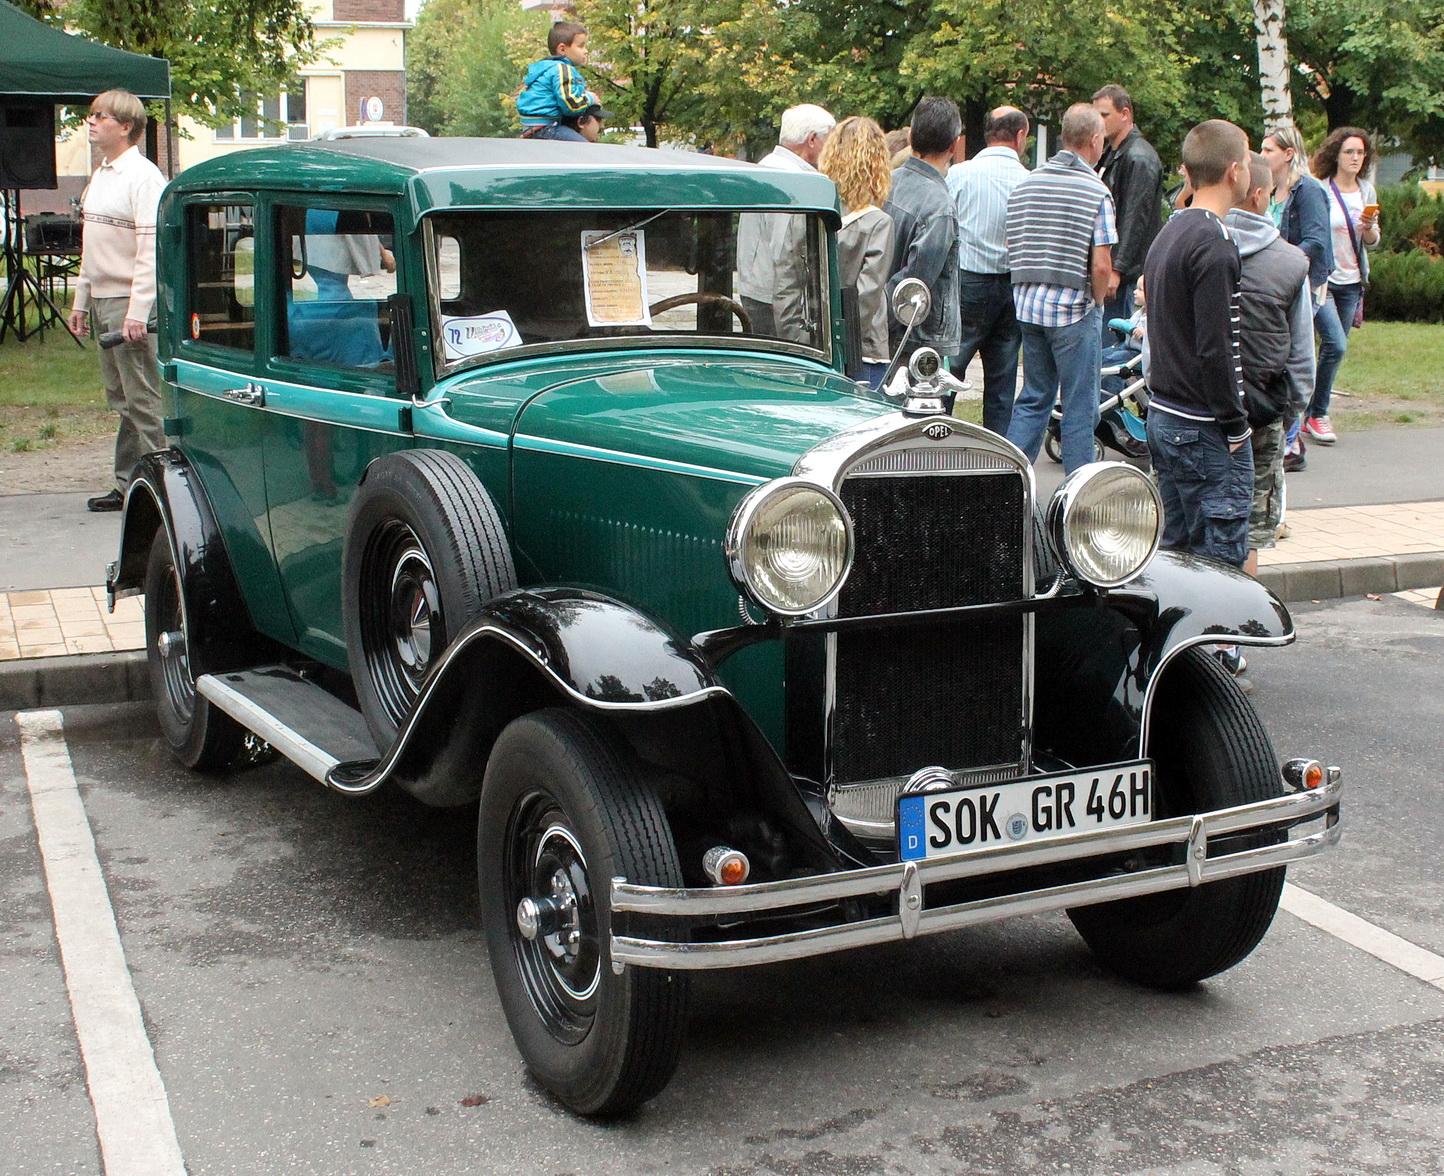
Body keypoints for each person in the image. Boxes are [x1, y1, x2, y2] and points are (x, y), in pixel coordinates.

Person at [1143, 119, 1253, 577]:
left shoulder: (1170, 232)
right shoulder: (1215, 243)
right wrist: (1236, 426)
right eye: (1247, 162)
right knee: (1219, 568)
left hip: (1165, 414)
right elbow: (1217, 347)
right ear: (1234, 171)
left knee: (1176, 561)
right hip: (1202, 426)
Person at [66, 89, 167, 513]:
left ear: (126, 126)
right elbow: (91, 246)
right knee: (122, 398)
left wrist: (137, 310)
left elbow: (150, 250)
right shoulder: (102, 176)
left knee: (143, 399)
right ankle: (128, 483)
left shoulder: (143, 177)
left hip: (129, 300)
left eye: (101, 116)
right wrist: (81, 299)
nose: (91, 122)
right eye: (91, 115)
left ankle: (166, 490)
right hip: (104, 297)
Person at [1002, 103, 1117, 472]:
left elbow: (1012, 244)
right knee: (1079, 407)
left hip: (1028, 305)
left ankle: (1010, 481)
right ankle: (1077, 492)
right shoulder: (1095, 191)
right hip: (1073, 309)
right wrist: (1097, 302)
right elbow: (1101, 265)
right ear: (1095, 140)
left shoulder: (1026, 184)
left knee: (1034, 397)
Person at [1224, 152, 1314, 577]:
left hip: (1195, 408)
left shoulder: (1191, 243)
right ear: (1260, 195)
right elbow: (1301, 354)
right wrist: (1293, 409)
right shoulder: (1291, 262)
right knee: (1250, 528)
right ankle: (1240, 615)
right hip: (1261, 408)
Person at [945, 106, 1029, 434]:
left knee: (949, 372)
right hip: (1012, 285)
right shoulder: (1029, 181)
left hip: (967, 280)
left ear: (987, 134)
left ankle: (934, 438)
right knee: (1002, 382)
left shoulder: (959, 175)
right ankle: (998, 448)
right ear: (1020, 136)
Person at [1261, 123, 1332, 472]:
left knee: (1295, 355)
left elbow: (1316, 241)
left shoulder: (1308, 190)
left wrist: (1284, 263)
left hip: (1302, 282)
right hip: (1279, 282)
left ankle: (1292, 437)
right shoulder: (1270, 190)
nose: (1262, 155)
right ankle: (1291, 439)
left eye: (1268, 150)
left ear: (1288, 154)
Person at [1304, 126, 1380, 447]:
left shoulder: (1366, 191)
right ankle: (1318, 414)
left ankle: (1309, 411)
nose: (1355, 158)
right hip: (1324, 280)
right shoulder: (1320, 188)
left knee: (1332, 348)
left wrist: (1369, 228)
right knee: (1335, 344)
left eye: (1360, 153)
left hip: (1352, 281)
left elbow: (1372, 242)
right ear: (1336, 154)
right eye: (1349, 151)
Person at [736, 104, 835, 340]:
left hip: (759, 290)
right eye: (830, 140)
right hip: (774, 299)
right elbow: (785, 254)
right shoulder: (791, 180)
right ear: (812, 140)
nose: (833, 148)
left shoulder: (767, 166)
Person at [882, 96, 963, 364]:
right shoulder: (939, 207)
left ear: (911, 136)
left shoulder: (885, 184)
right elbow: (913, 287)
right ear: (954, 145)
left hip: (885, 330)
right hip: (914, 341)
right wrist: (880, 317)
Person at [818, 116, 895, 388]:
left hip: (816, 343)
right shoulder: (878, 223)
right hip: (863, 349)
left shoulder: (817, 213)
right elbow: (866, 298)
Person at [1093, 84, 1163, 333]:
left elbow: (1135, 217)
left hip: (1129, 276)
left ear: (1125, 114)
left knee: (1120, 344)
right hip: (1116, 269)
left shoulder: (1139, 157)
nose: (1098, 122)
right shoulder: (1111, 154)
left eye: (1104, 115)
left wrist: (1117, 269)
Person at [517, 21, 596, 142]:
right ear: (562, 49)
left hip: (533, 127)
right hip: (546, 128)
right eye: (581, 46)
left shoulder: (547, 68)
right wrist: (590, 99)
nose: (585, 51)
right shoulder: (562, 69)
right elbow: (570, 104)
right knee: (583, 148)